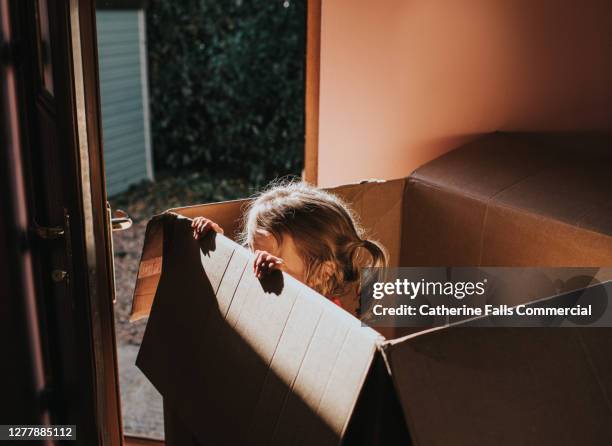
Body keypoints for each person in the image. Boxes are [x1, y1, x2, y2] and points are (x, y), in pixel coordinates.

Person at [191, 180, 387, 315]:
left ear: (322, 274)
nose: (257, 267)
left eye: (270, 261)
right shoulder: (255, 277)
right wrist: (217, 246)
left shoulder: (324, 317)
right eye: (252, 252)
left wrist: (279, 288)